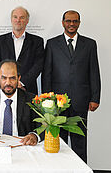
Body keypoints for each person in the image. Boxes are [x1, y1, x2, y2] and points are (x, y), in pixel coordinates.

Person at [42, 10, 101, 163]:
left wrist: (95, 98)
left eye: (75, 21)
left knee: (79, 141)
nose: (71, 24)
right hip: (57, 103)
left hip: (81, 100)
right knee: (58, 141)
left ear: (79, 23)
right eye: (68, 21)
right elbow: (47, 73)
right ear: (63, 23)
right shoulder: (52, 44)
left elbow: (94, 72)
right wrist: (47, 100)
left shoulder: (89, 44)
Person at [0, 6, 44, 94]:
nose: (18, 20)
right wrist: (7, 81)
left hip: (27, 89)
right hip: (4, 88)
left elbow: (38, 65)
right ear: (11, 19)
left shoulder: (37, 41)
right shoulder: (0, 40)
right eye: (15, 17)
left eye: (22, 17)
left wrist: (21, 82)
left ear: (27, 21)